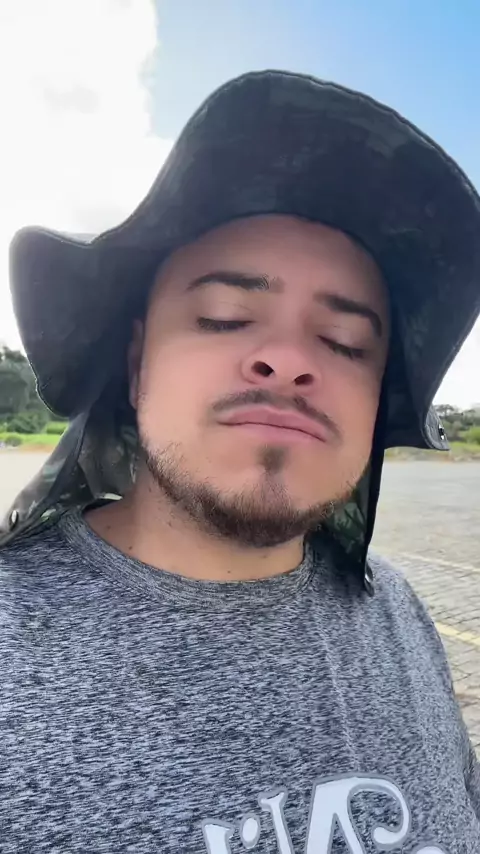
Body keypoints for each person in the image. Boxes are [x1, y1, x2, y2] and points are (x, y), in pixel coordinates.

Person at [1, 70, 479, 853]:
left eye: (344, 343)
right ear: (136, 363)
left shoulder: (398, 613)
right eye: (225, 316)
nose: (288, 360)